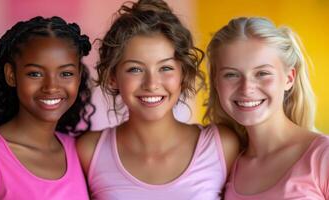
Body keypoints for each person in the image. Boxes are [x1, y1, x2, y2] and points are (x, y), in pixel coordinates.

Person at [77, 0, 239, 199]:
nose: (151, 84)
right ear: (113, 77)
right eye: (135, 69)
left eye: (165, 68)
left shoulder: (222, 146)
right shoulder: (88, 152)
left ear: (183, 74)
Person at [204, 16, 329, 199]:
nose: (246, 88)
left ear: (289, 78)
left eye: (262, 73)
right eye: (231, 75)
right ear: (216, 82)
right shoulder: (226, 167)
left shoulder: (322, 156)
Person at [0, 16, 94, 199]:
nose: (51, 86)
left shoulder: (79, 151)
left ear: (79, 77)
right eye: (35, 73)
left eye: (66, 73)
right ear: (11, 75)